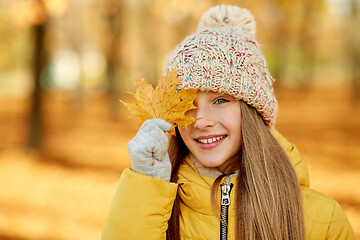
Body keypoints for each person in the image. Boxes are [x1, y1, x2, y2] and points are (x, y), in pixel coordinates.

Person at [102, 5, 355, 240]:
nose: (200, 121)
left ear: (253, 112)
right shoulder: (155, 210)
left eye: (221, 100)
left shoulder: (323, 221)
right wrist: (147, 187)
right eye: (187, 104)